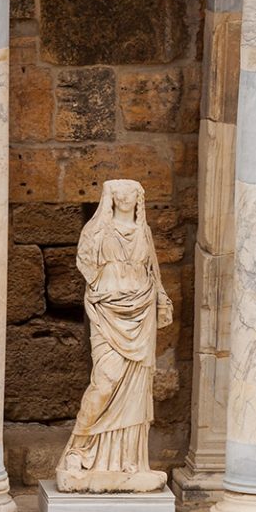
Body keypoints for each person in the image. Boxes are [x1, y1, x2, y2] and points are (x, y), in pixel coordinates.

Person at [55, 180, 171, 492]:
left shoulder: (143, 231)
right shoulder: (98, 231)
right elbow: (85, 262)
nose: (123, 196)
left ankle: (127, 462)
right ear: (110, 197)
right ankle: (79, 449)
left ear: (139, 198)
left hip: (141, 311)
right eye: (117, 192)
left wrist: (161, 298)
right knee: (105, 381)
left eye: (130, 192)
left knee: (135, 386)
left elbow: (153, 271)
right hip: (107, 311)